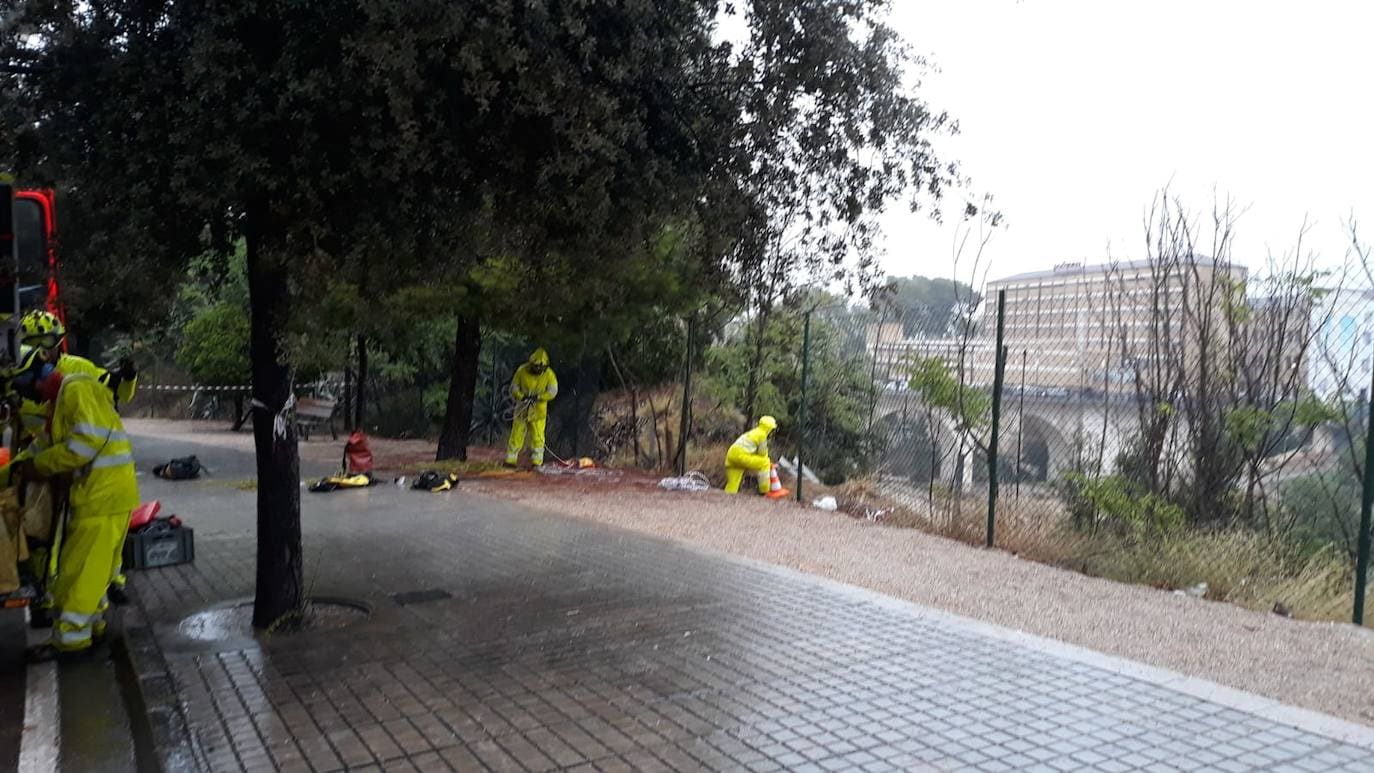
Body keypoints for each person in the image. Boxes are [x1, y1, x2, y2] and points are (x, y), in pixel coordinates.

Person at [4, 347, 139, 661]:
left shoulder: (77, 388)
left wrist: (44, 465)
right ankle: (90, 628)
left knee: (79, 571)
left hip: (101, 497)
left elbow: (82, 444)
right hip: (105, 496)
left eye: (26, 389)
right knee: (88, 570)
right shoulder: (62, 399)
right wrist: (14, 470)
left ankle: (70, 642)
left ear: (36, 379)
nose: (29, 399)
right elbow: (45, 446)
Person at [19, 310, 138, 605]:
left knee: (92, 536)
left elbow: (118, 393)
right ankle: (48, 593)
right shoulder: (22, 377)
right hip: (48, 459)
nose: (40, 352)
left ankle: (110, 583)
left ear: (58, 343)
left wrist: (129, 378)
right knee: (42, 532)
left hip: (79, 468)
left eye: (45, 344)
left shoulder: (78, 371)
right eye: (33, 344)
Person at [505, 348, 558, 467]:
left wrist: (539, 397)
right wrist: (521, 396)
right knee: (516, 434)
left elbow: (553, 391)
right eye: (535, 367)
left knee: (538, 438)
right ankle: (510, 460)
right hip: (522, 410)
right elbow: (514, 387)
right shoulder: (522, 371)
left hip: (538, 412)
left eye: (540, 368)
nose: (538, 370)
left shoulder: (549, 375)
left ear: (545, 367)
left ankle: (536, 462)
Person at [724, 415, 777, 494]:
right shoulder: (762, 435)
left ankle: (726, 499)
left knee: (733, 484)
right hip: (741, 455)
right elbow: (762, 453)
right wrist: (769, 463)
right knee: (765, 462)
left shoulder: (752, 432)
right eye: (771, 429)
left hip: (731, 455)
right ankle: (765, 491)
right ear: (768, 428)